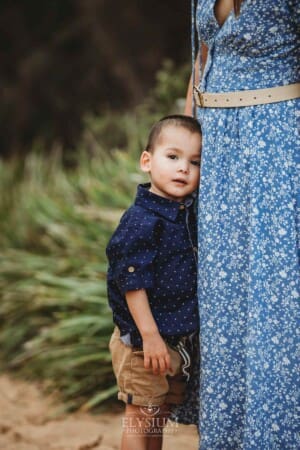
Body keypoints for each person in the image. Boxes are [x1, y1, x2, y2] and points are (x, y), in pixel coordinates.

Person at [177, 0, 299, 448]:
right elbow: (203, 55)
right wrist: (184, 137)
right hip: (218, 146)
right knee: (223, 294)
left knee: (276, 293)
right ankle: (229, 437)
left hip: (279, 142)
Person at [106, 115, 202, 450]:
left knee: (157, 413)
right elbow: (132, 283)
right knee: (140, 415)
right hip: (143, 340)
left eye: (195, 162)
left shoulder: (183, 214)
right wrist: (150, 337)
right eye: (173, 157)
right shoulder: (142, 220)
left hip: (172, 340)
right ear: (147, 161)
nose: (183, 169)